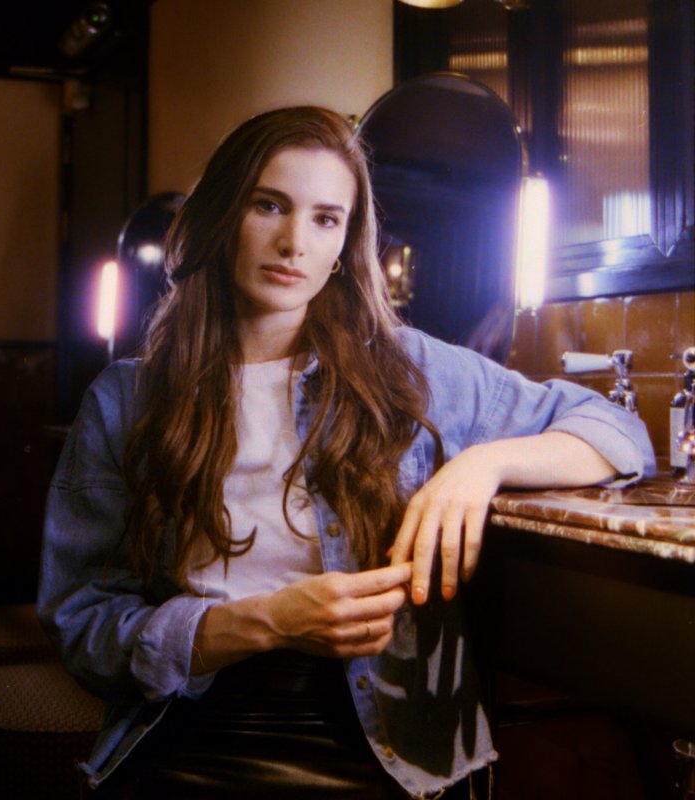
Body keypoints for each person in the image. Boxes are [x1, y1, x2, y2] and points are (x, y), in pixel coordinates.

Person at [37, 106, 655, 800]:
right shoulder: (127, 397)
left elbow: (616, 431)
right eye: (269, 205)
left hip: (387, 744)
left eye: (326, 218)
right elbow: (81, 626)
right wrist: (265, 620)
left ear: (344, 245)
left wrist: (482, 466)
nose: (294, 241)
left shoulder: (404, 369)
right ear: (223, 215)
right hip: (188, 727)